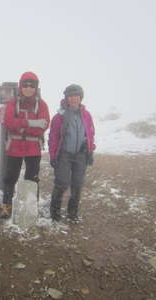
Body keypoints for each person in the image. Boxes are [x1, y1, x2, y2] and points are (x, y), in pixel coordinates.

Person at [1, 72, 50, 218]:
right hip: (15, 147)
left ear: (36, 88)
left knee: (32, 178)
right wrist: (30, 123)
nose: (28, 88)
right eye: (25, 85)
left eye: (32, 85)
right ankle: (6, 206)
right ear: (20, 86)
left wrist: (20, 125)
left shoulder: (42, 105)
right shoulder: (12, 103)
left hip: (33, 148)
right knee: (10, 177)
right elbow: (8, 123)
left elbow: (44, 125)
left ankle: (30, 208)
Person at [48, 84, 95, 223]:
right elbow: (53, 138)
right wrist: (53, 156)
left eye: (76, 96)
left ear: (81, 97)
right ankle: (55, 211)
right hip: (64, 154)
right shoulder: (59, 117)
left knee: (77, 184)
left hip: (81, 154)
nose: (73, 99)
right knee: (61, 183)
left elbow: (90, 133)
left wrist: (90, 150)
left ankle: (72, 212)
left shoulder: (86, 115)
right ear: (66, 98)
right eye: (70, 96)